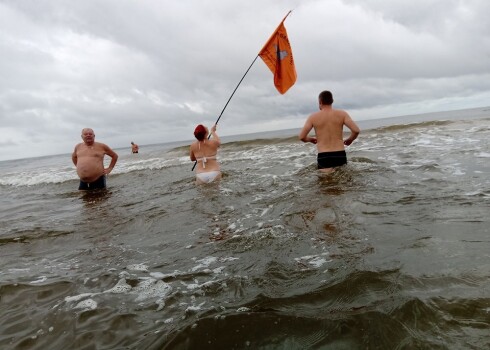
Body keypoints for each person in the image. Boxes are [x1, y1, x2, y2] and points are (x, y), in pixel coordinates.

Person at [299, 90, 360, 173]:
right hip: (340, 154)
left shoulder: (313, 117)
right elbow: (356, 130)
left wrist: (310, 139)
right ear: (332, 101)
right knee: (343, 183)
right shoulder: (342, 114)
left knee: (326, 184)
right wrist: (350, 139)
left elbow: (302, 137)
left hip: (324, 156)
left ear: (320, 102)